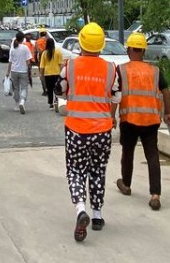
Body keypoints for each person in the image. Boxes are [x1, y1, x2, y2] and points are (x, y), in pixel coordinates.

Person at [59, 22, 119, 243]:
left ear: (81, 43)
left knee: (75, 169)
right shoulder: (112, 68)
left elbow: (60, 90)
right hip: (102, 130)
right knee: (97, 170)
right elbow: (116, 97)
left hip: (76, 129)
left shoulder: (70, 66)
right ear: (101, 45)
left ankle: (80, 209)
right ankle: (97, 216)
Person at [115, 32, 170, 211]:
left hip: (129, 119)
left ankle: (126, 184)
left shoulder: (122, 70)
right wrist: (167, 113)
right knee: (152, 155)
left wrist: (110, 116)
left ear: (129, 49)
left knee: (128, 152)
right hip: (151, 120)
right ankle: (155, 194)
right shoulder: (154, 71)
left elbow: (114, 94)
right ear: (143, 51)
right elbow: (166, 91)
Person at [8, 31, 33, 114]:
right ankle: (22, 101)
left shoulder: (13, 48)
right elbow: (28, 61)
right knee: (24, 87)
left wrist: (8, 72)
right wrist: (30, 70)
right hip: (23, 71)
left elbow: (10, 62)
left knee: (16, 88)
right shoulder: (25, 48)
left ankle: (16, 105)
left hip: (14, 71)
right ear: (23, 39)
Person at [38, 36, 63, 109]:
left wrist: (41, 74)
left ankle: (50, 104)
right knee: (56, 88)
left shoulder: (44, 53)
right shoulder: (58, 52)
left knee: (49, 89)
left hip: (47, 74)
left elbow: (42, 66)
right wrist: (62, 73)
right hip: (57, 73)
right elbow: (60, 64)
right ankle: (56, 101)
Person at [36, 30, 49, 95]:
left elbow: (37, 51)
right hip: (49, 59)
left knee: (42, 75)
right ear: (46, 34)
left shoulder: (37, 42)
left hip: (41, 59)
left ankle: (45, 90)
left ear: (40, 34)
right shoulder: (49, 41)